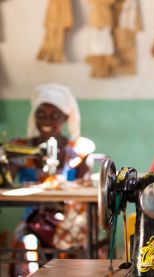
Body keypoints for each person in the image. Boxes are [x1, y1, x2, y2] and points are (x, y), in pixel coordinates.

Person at [8, 83, 90, 276]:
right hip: (31, 220)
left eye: (55, 115)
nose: (46, 120)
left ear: (65, 118)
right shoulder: (20, 146)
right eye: (41, 114)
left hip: (68, 220)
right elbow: (7, 176)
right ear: (34, 116)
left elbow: (85, 185)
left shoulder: (78, 149)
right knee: (25, 243)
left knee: (79, 250)